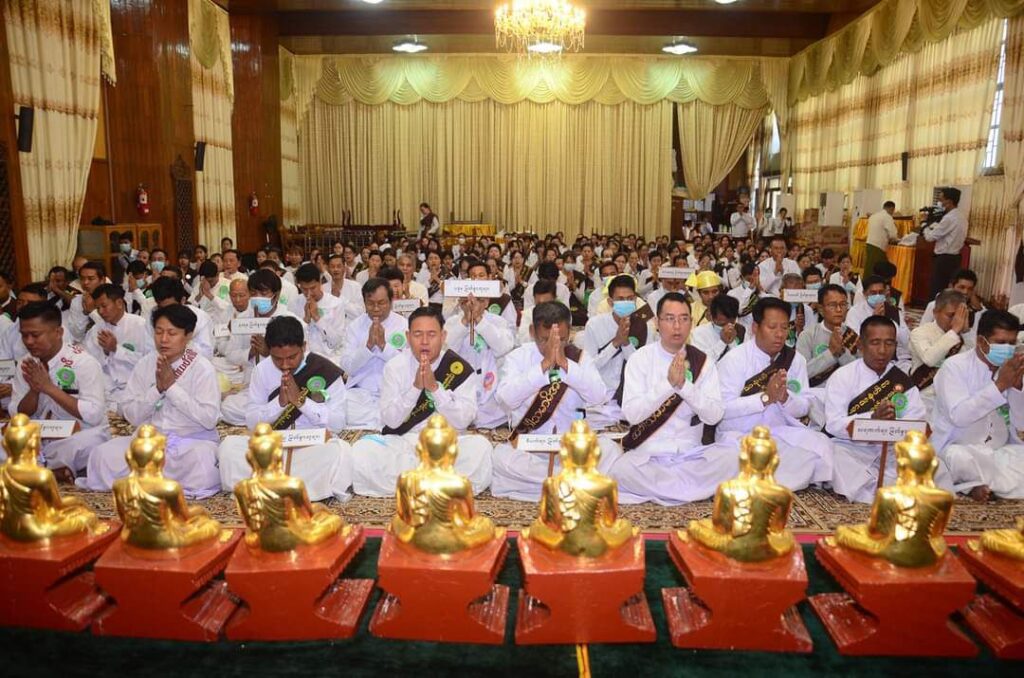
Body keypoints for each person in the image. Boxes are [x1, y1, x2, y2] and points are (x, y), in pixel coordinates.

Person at [80, 305, 222, 498]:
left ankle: (143, 481)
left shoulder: (202, 368)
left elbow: (209, 419)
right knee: (102, 455)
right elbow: (131, 415)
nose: (163, 339)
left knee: (199, 462)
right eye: (159, 332)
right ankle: (155, 481)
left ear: (188, 336)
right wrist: (157, 390)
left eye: (172, 333)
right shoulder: (145, 364)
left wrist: (172, 388)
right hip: (149, 440)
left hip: (189, 441)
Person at [608, 293, 737, 505]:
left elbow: (714, 416)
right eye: (669, 319)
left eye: (683, 319)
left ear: (691, 323)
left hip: (690, 455)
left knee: (732, 458)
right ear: (657, 323)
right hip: (649, 456)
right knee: (620, 470)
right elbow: (632, 415)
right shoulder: (640, 359)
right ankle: (692, 491)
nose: (677, 326)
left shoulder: (703, 362)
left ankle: (666, 491)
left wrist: (684, 387)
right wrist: (667, 385)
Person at [349, 307, 492, 496]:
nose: (424, 341)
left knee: (481, 448)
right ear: (408, 337)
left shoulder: (459, 368)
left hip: (446, 443)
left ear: (443, 336)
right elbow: (391, 421)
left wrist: (435, 389)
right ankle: (441, 485)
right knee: (362, 450)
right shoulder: (395, 367)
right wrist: (415, 388)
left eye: (431, 334)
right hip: (404, 443)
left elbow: (463, 421)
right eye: (418, 334)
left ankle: (411, 485)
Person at [217, 317, 353, 502]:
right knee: (228, 448)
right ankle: (300, 487)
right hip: (273, 445)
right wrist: (279, 404)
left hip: (312, 446)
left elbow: (338, 423)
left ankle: (266, 486)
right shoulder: (262, 371)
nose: (284, 365)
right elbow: (252, 422)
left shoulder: (323, 369)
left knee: (340, 452)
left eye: (291, 357)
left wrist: (301, 402)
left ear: (303, 347)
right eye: (277, 359)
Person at [491, 302, 614, 501]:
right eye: (545, 340)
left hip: (572, 450)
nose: (553, 346)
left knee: (610, 450)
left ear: (570, 332)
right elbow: (506, 399)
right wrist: (543, 366)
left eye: (561, 339)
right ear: (532, 332)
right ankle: (573, 483)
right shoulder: (518, 357)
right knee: (500, 458)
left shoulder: (580, 358)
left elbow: (598, 397)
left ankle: (552, 484)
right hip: (530, 448)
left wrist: (566, 365)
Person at [824, 316, 953, 502]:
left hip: (893, 449)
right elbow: (833, 424)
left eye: (889, 343)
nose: (882, 350)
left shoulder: (901, 380)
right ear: (860, 345)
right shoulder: (842, 377)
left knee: (931, 462)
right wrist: (872, 419)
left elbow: (917, 422)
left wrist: (892, 427)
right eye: (875, 343)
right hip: (854, 448)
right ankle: (876, 495)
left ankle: (896, 491)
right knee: (835, 456)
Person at [716, 297, 833, 490]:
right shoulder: (734, 360)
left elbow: (805, 406)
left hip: (780, 430)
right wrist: (765, 398)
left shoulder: (795, 360)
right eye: (772, 327)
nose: (779, 334)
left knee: (820, 444)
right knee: (740, 458)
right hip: (740, 432)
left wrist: (785, 398)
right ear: (755, 328)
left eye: (784, 328)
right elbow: (722, 409)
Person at [4, 303, 108, 478]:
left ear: (58, 332)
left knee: (92, 443)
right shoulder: (26, 363)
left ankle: (34, 466)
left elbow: (94, 414)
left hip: (73, 436)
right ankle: (52, 469)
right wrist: (34, 390)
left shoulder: (83, 362)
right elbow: (18, 414)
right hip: (36, 435)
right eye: (24, 335)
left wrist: (49, 388)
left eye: (35, 335)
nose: (29, 342)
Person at [932, 309, 1024, 501]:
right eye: (1001, 342)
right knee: (956, 459)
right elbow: (959, 416)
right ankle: (975, 485)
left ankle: (976, 485)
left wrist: (1017, 390)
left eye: (1012, 343)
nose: (1008, 349)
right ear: (982, 342)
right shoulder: (954, 367)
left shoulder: (1013, 369)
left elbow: (1020, 426)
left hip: (999, 451)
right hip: (960, 448)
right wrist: (999, 386)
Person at [443, 261, 516, 428]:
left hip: (491, 392)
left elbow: (503, 347)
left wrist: (478, 319)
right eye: (470, 300)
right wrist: (465, 320)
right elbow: (446, 349)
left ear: (487, 301)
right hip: (459, 386)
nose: (474, 304)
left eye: (479, 300)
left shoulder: (498, 322)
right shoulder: (453, 322)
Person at [581, 274, 657, 428]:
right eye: (620, 299)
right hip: (601, 398)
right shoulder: (594, 325)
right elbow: (589, 367)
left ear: (635, 300)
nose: (626, 303)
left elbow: (644, 368)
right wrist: (615, 343)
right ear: (610, 302)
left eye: (630, 299)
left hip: (633, 396)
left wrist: (626, 343)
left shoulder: (645, 327)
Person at [341, 278, 409, 429]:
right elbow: (348, 367)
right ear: (364, 302)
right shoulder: (354, 326)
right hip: (360, 393)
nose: (376, 308)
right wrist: (368, 347)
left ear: (391, 301)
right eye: (371, 303)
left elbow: (408, 366)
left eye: (381, 303)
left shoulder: (404, 325)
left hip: (395, 391)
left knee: (400, 419)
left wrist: (384, 346)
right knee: (341, 416)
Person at [83, 284, 153, 414]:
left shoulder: (140, 325)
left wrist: (116, 350)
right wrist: (105, 353)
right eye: (97, 308)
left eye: (104, 306)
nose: (101, 312)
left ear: (119, 303)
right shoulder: (96, 330)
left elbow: (150, 362)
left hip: (134, 390)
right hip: (105, 392)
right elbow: (88, 362)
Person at [909, 289, 970, 411]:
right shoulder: (920, 332)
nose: (956, 320)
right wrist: (954, 332)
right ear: (935, 312)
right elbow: (930, 359)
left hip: (955, 397)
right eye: (950, 315)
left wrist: (966, 332)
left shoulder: (965, 337)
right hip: (926, 395)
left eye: (959, 316)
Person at [845, 274, 911, 370]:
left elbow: (906, 340)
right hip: (866, 360)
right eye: (873, 293)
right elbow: (854, 341)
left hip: (895, 360)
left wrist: (889, 321)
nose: (877, 296)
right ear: (864, 294)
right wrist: (874, 320)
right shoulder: (855, 312)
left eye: (881, 292)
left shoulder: (893, 311)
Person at [288, 262, 347, 365]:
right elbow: (291, 339)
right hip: (302, 360)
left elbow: (336, 341)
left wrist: (317, 318)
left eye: (313, 288)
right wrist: (305, 321)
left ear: (320, 282)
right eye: (304, 289)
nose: (309, 293)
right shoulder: (294, 304)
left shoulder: (336, 304)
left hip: (329, 359)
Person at [147, 276, 215, 359]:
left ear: (182, 301)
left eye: (171, 307)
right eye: (161, 308)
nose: (166, 313)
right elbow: (148, 349)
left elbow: (207, 353)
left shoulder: (201, 318)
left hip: (192, 364)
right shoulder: (152, 316)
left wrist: (182, 343)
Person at [923, 187, 969, 299]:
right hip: (955, 258)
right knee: (949, 291)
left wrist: (924, 225)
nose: (939, 202)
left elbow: (930, 237)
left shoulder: (949, 218)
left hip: (944, 259)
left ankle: (934, 309)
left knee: (936, 289)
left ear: (949, 201)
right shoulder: (962, 216)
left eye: (941, 200)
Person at [690, 294, 744, 361]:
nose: (727, 327)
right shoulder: (698, 333)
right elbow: (701, 361)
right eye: (722, 324)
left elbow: (742, 358)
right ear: (711, 317)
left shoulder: (740, 330)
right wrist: (723, 343)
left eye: (731, 323)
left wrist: (732, 342)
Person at [66, 261, 106, 342]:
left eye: (91, 279)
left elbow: (111, 330)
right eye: (82, 278)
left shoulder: (112, 300)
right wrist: (84, 313)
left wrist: (92, 312)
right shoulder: (77, 301)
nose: (85, 282)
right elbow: (76, 335)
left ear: (102, 280)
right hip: (84, 345)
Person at [865, 201, 898, 277]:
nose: (893, 213)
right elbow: (893, 234)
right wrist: (896, 239)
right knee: (877, 268)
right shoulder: (887, 217)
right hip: (878, 246)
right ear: (891, 208)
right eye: (893, 210)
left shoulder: (873, 216)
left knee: (869, 266)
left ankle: (867, 282)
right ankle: (872, 282)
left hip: (869, 243)